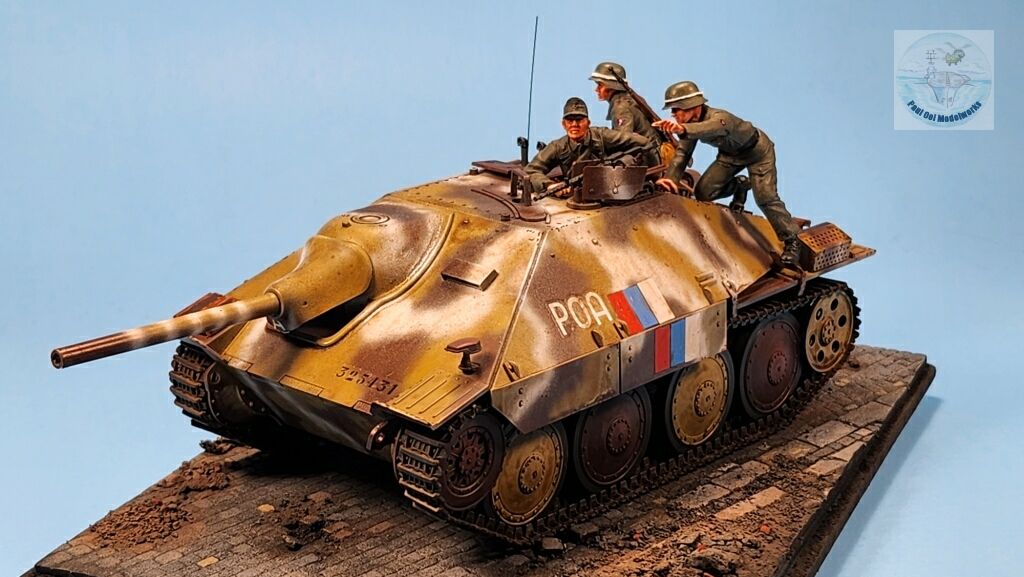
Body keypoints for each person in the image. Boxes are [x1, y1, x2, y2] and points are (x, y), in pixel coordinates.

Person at [652, 81, 801, 266]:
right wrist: (670, 179)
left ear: (693, 106)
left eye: (676, 109)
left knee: (765, 197)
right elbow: (682, 154)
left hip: (758, 152)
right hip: (730, 156)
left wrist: (683, 129)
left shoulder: (720, 118)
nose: (673, 114)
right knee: (703, 192)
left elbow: (712, 127)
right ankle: (740, 185)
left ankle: (792, 240)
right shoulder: (689, 126)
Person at [525, 97, 657, 197]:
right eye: (570, 120)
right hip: (576, 198)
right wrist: (549, 185)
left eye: (579, 120)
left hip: (611, 191)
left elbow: (644, 143)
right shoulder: (558, 147)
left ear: (588, 123)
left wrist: (654, 178)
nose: (574, 124)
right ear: (563, 124)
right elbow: (531, 170)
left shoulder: (603, 136)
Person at [589, 62, 658, 141]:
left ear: (610, 86)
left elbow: (623, 140)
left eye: (600, 85)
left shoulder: (621, 106)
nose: (596, 89)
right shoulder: (628, 100)